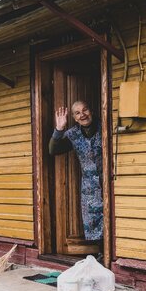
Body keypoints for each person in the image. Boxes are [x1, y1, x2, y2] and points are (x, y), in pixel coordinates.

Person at [49, 100, 103, 245]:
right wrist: (59, 129)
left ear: (91, 111)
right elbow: (53, 150)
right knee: (93, 222)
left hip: (109, 183)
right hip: (90, 189)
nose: (82, 115)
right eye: (78, 113)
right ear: (74, 117)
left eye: (85, 110)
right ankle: (99, 253)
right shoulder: (73, 134)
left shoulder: (104, 127)